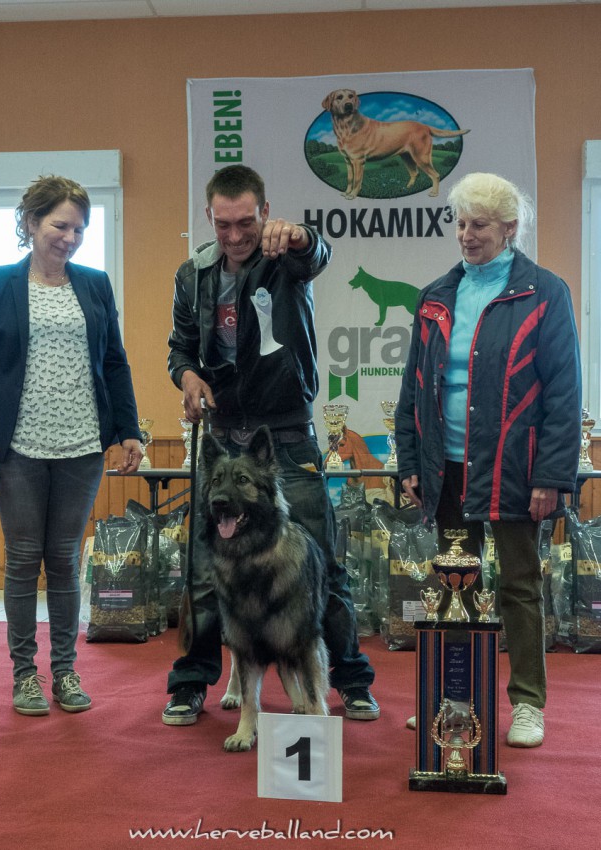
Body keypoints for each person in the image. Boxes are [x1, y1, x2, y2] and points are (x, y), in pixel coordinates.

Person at [163, 164, 379, 725]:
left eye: (246, 222)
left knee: (324, 566)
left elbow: (318, 254)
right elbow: (180, 350)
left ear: (265, 211)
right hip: (220, 438)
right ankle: (190, 684)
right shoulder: (192, 275)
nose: (234, 236)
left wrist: (303, 236)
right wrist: (187, 378)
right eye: (222, 223)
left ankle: (351, 680)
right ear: (208, 217)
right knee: (205, 573)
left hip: (286, 436)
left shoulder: (286, 257)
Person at [395, 172, 581, 748]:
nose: (466, 236)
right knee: (456, 584)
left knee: (519, 586)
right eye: (460, 223)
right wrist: (409, 463)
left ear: (509, 229)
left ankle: (527, 703)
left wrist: (552, 476)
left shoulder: (546, 293)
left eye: (479, 225)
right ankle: (455, 699)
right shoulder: (434, 296)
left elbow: (564, 395)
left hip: (516, 470)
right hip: (446, 469)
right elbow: (415, 388)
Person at [0, 175, 143, 716]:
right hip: (16, 444)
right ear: (30, 224)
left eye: (79, 228)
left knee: (64, 560)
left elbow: (114, 361)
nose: (69, 237)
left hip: (82, 443)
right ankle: (24, 676)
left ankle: (64, 671)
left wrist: (129, 429)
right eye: (59, 225)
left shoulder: (94, 284)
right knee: (23, 559)